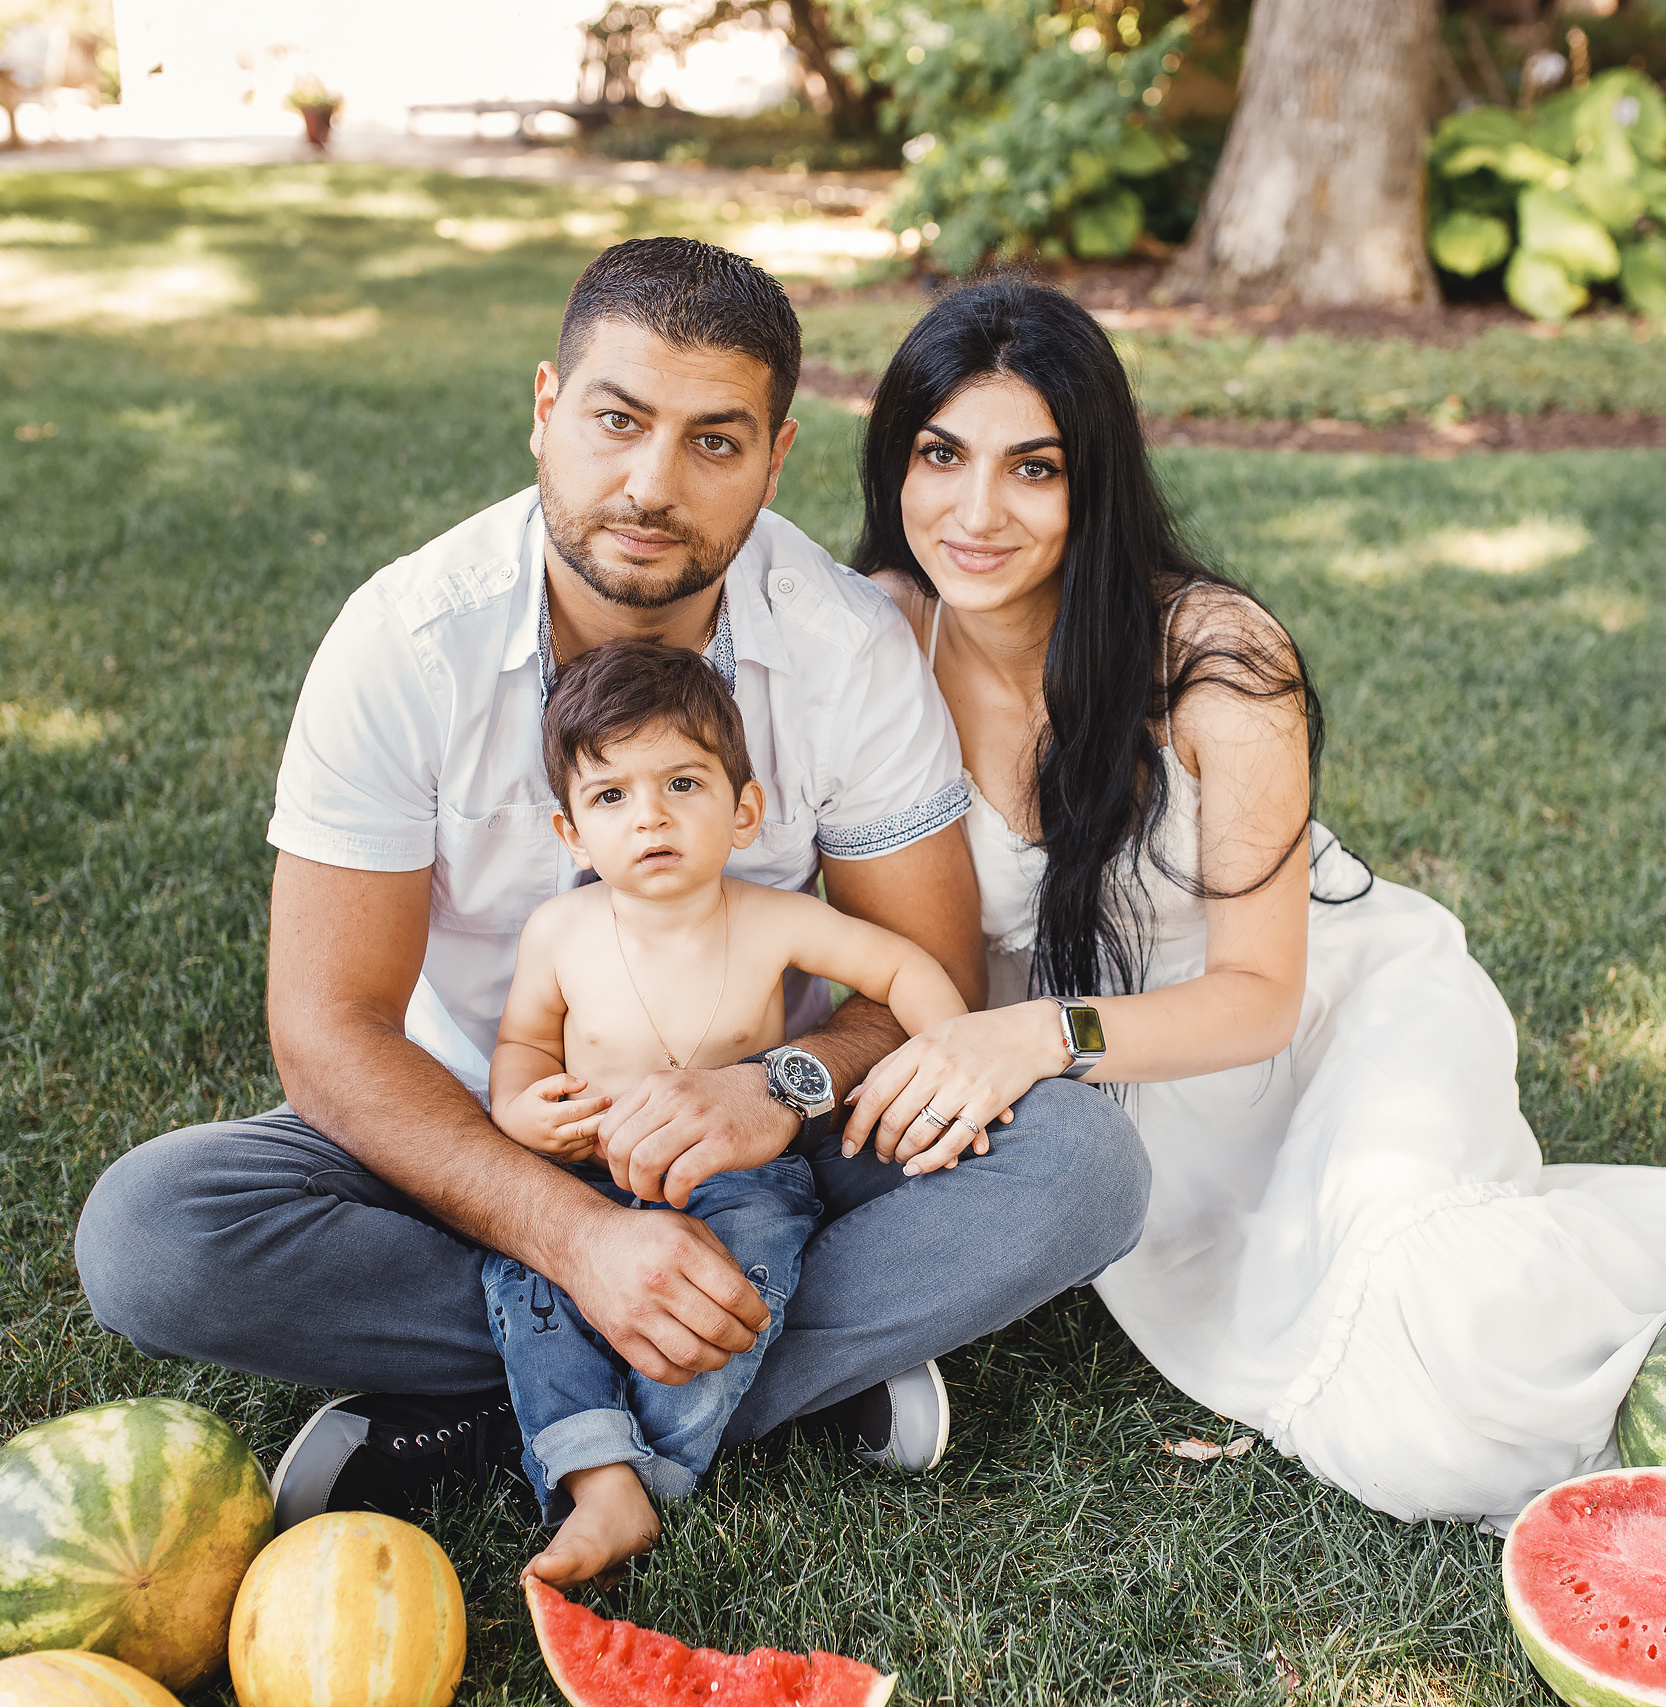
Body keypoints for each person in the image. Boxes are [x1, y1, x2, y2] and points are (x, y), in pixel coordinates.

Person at [841, 277, 1666, 1531]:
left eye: (1031, 468)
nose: (974, 512)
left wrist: (1038, 1034)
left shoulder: (1212, 657)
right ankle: (1665, 1236)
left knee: (1455, 1322)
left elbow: (1260, 997)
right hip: (1148, 1117)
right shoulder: (876, 640)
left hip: (1331, 1020)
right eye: (940, 455)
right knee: (1424, 1443)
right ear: (896, 460)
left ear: (1095, 480)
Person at [72, 239, 1151, 1534]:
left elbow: (928, 982)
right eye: (616, 420)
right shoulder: (405, 642)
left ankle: (516, 1405)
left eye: (713, 440)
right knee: (154, 1230)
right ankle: (783, 1374)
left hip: (756, 1137)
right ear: (545, 407)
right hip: (484, 1117)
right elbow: (329, 1028)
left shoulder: (845, 648)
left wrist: (776, 1087)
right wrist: (570, 1233)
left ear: (776, 455)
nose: (650, 483)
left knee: (1080, 1159)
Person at [485, 638, 966, 1584]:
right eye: (611, 795)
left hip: (739, 1174)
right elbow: (524, 1047)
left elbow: (904, 966)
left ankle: (650, 1466)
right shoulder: (560, 933)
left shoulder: (770, 918)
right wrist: (519, 1110)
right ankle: (596, 1466)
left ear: (743, 810)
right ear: (571, 833)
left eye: (683, 783)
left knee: (741, 1278)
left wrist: (956, 1055)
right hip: (589, 1173)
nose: (651, 815)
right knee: (525, 1282)